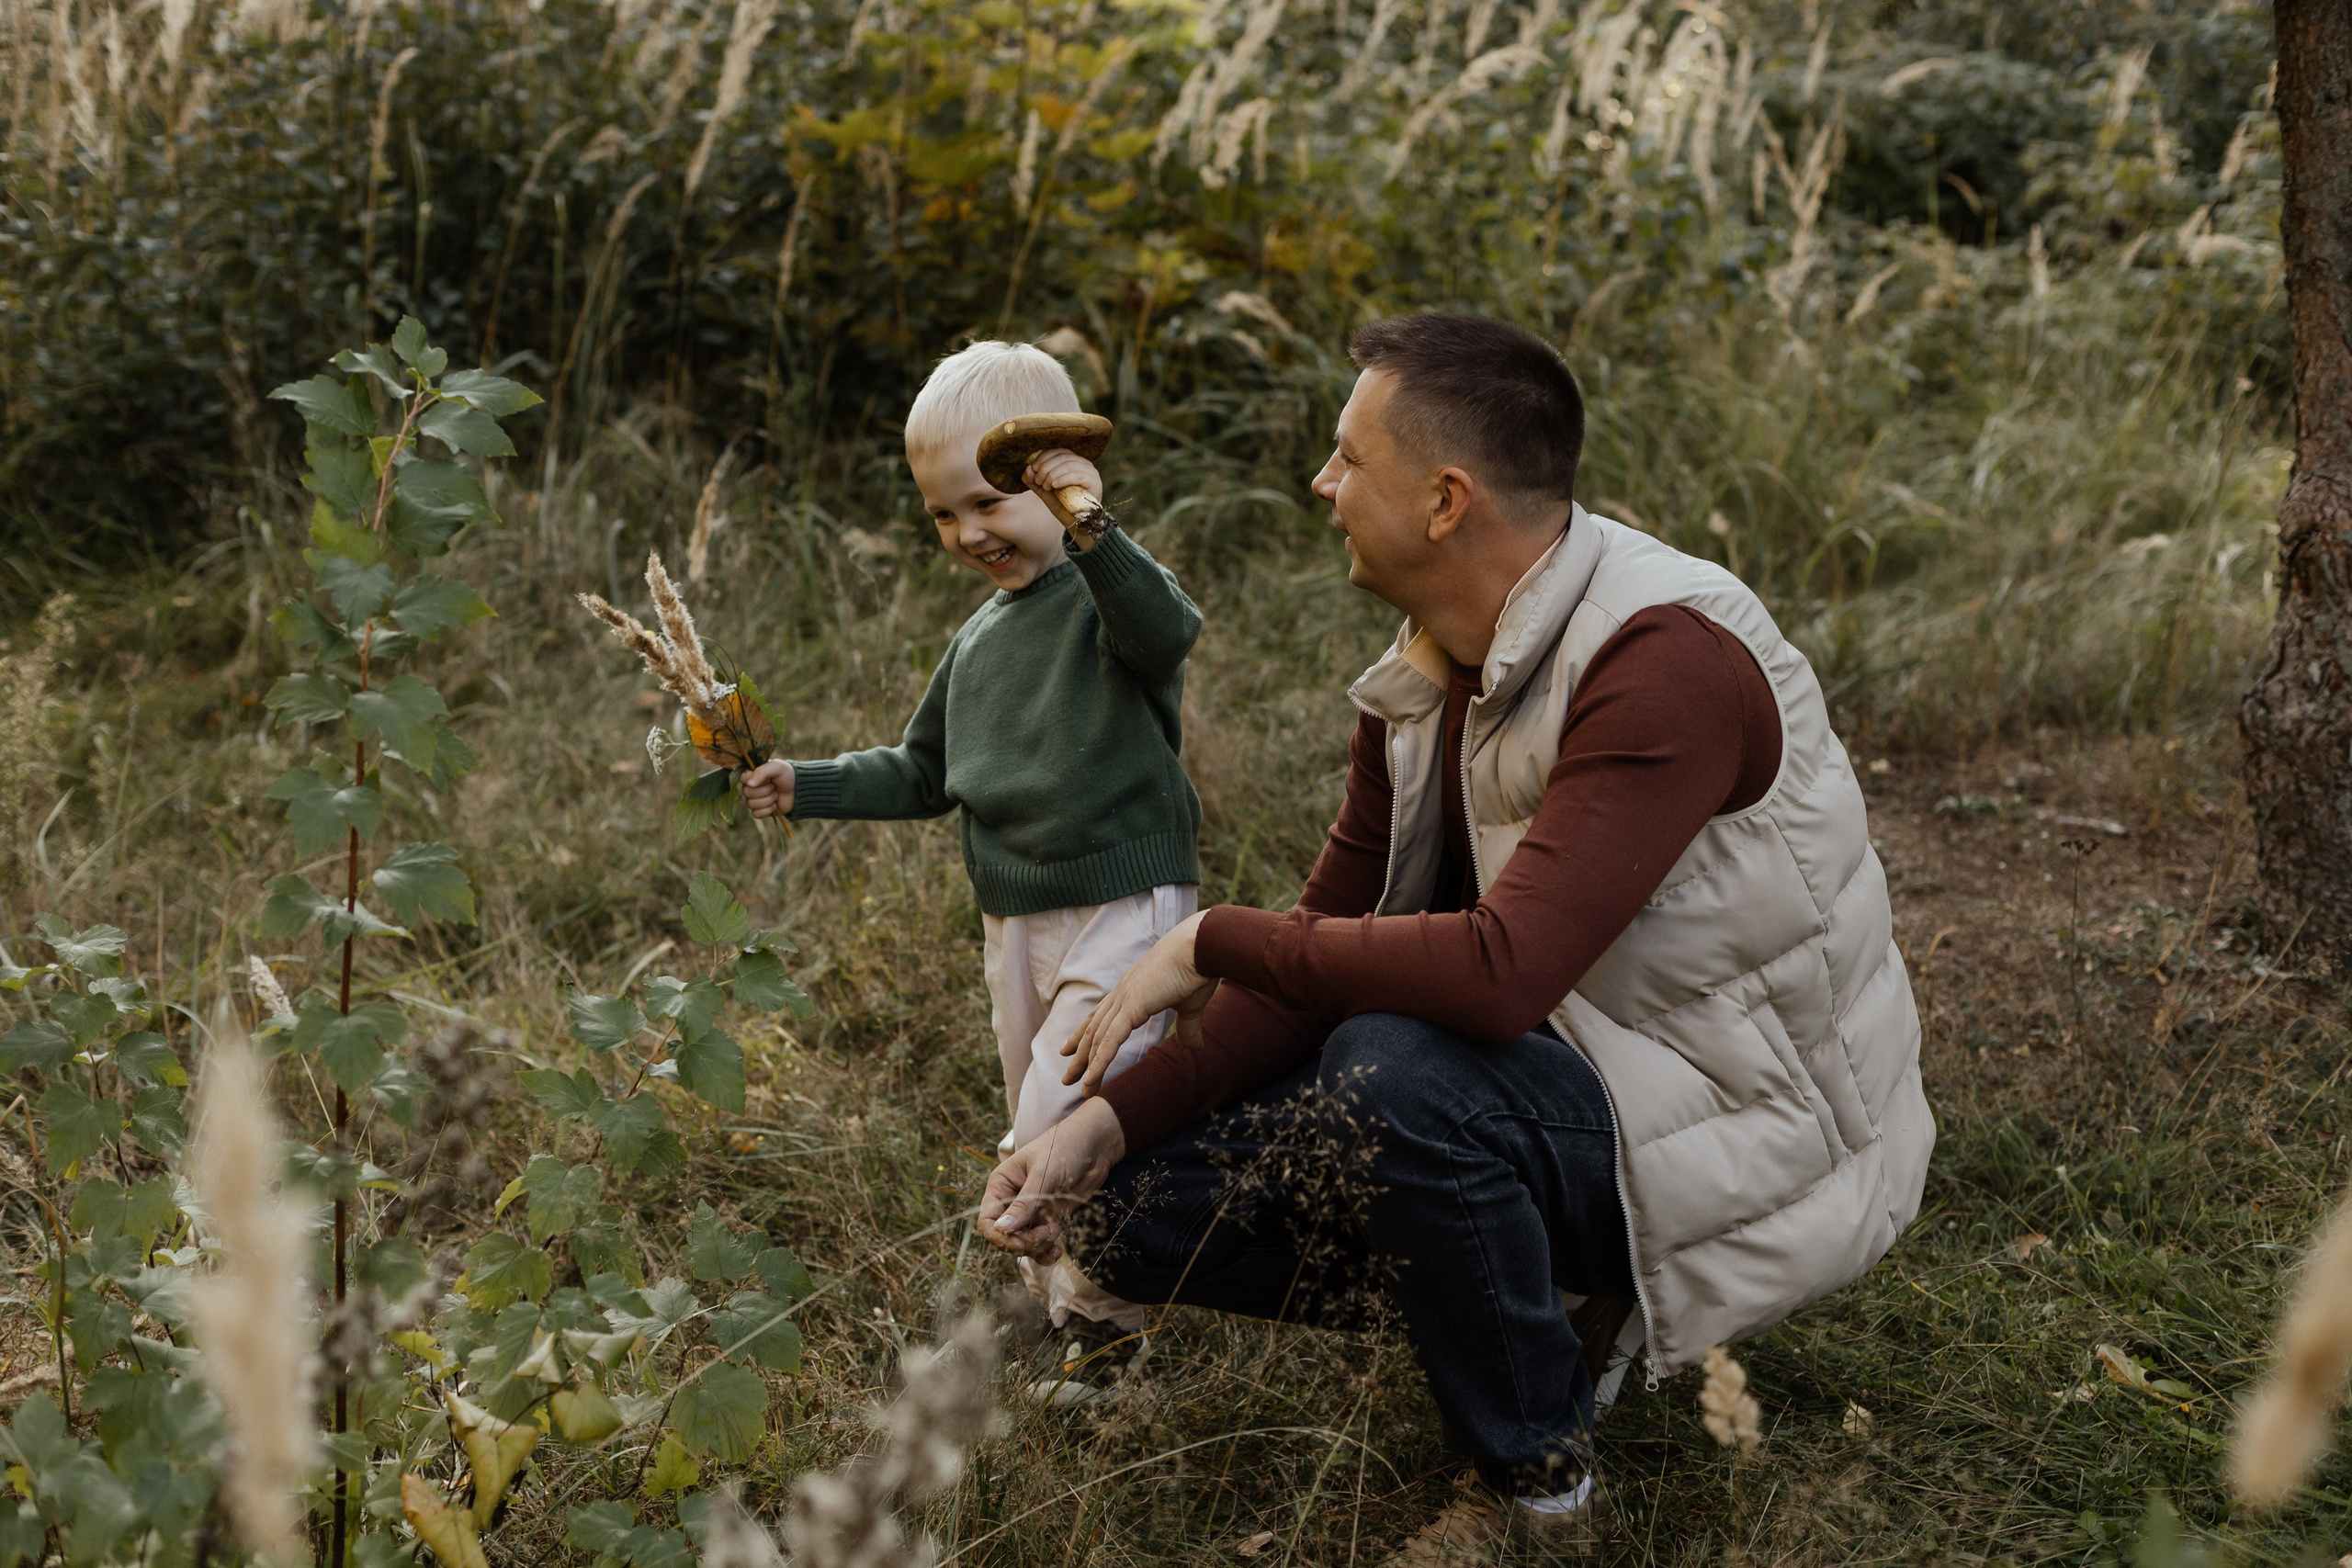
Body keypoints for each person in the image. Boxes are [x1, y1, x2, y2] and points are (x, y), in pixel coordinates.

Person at [978, 313, 1932, 1554]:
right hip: (1567, 1075)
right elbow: (1329, 937)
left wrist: (1212, 935)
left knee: (1398, 1067)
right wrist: (1097, 1127)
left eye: (1344, 457)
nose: (1322, 484)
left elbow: (1498, 973)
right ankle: (1516, 1287)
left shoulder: (1667, 659)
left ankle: (1538, 1492)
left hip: (1750, 1125)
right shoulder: (1430, 668)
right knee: (1127, 1204)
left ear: (1443, 499)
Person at [741, 340, 1202, 1403]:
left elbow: (1167, 630)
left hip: (1125, 907)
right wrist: (801, 783)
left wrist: (1088, 522)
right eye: (943, 515)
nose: (969, 533)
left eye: (994, 501)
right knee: (1036, 1105)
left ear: (1063, 482)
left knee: (1066, 1109)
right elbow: (921, 770)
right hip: (1017, 913)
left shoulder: (1108, 591)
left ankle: (1110, 1337)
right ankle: (1077, 1314)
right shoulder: (980, 639)